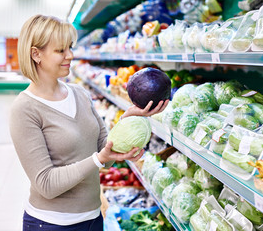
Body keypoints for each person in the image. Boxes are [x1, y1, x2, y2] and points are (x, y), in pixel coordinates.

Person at [9, 14, 169, 231]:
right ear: (36, 54)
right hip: (51, 224)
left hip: (93, 218)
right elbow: (45, 184)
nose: (70, 55)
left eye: (70, 48)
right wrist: (97, 159)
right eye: (60, 50)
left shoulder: (80, 94)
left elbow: (107, 154)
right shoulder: (25, 109)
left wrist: (128, 121)